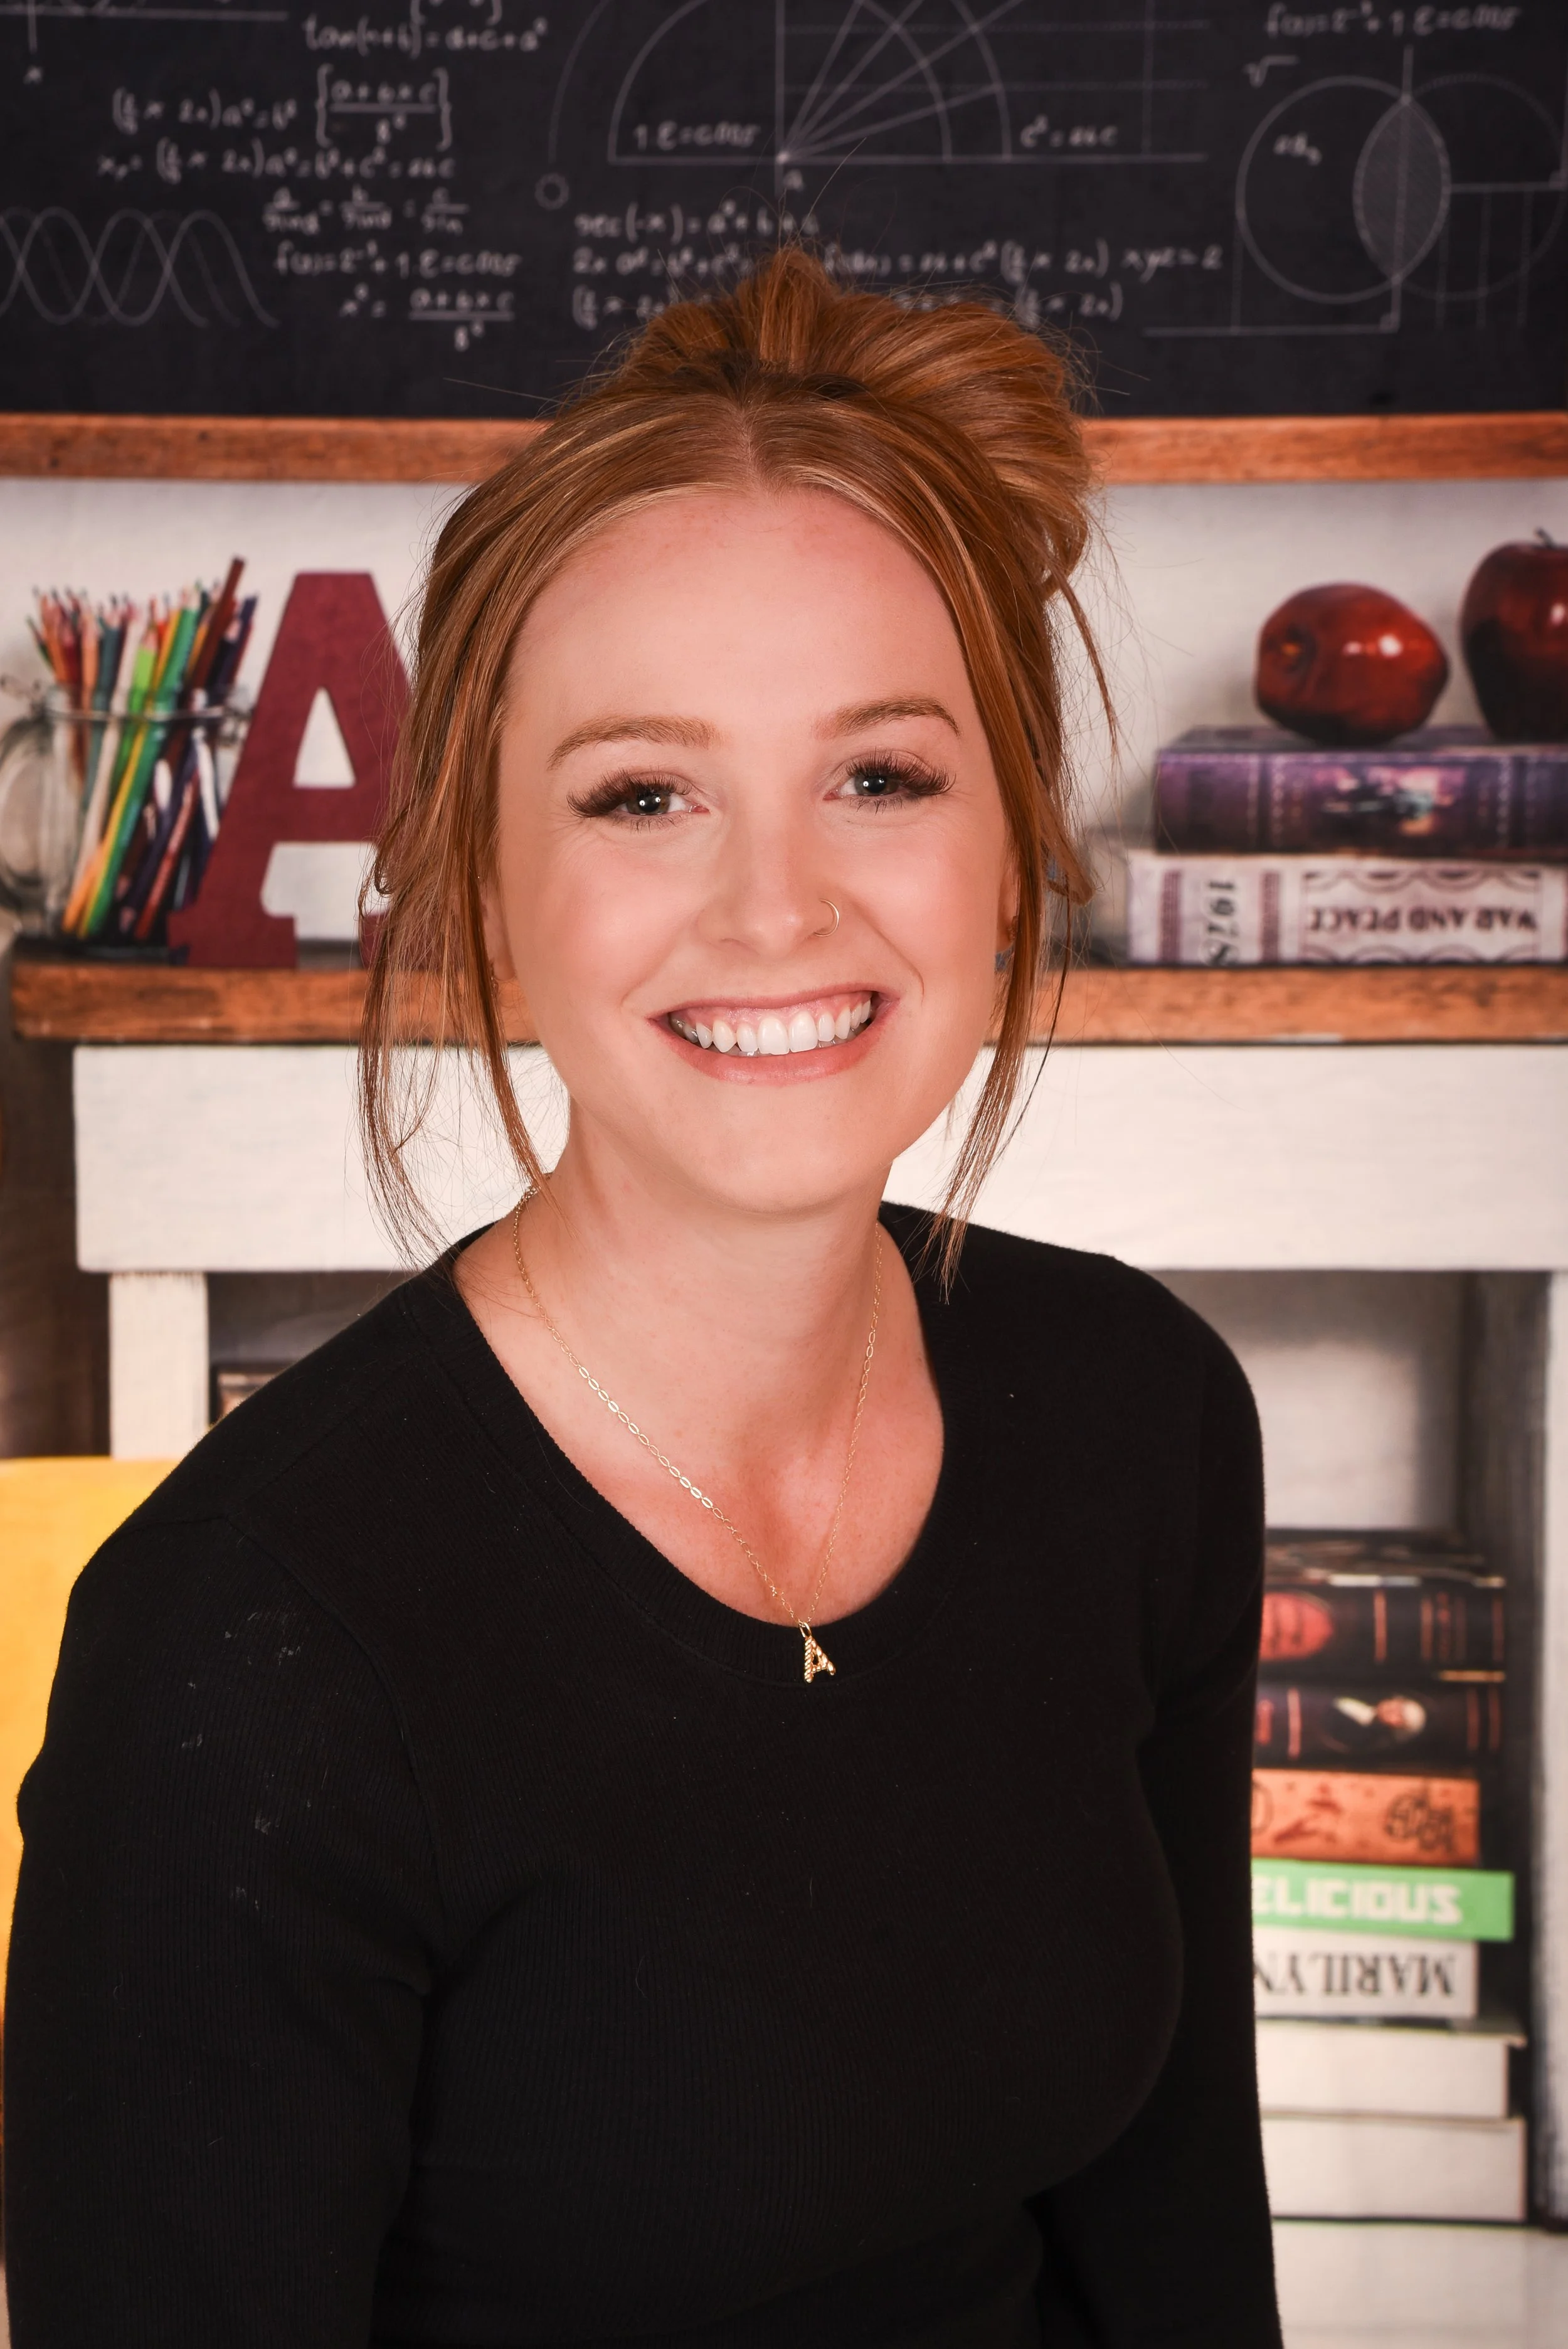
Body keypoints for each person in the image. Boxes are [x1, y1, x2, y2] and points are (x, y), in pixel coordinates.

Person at [4, 250, 1282, 2346]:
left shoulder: (1137, 1409)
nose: (776, 906)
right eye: (641, 795)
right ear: (486, 886)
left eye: (881, 775)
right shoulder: (248, 1646)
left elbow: (1174, 2235)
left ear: (1009, 845)